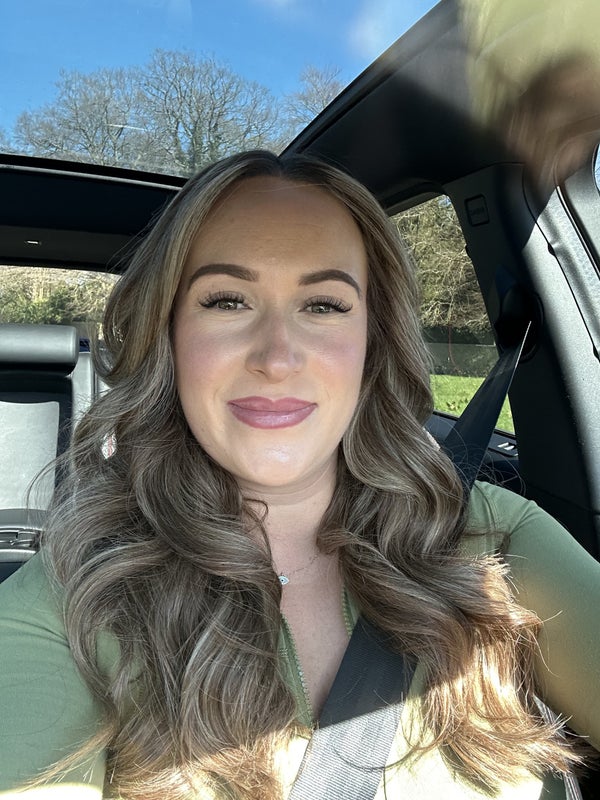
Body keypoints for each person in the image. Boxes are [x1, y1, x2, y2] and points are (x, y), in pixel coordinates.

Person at [0, 150, 598, 800]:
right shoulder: (74, 595)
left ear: (373, 340)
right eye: (227, 300)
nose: (278, 358)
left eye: (323, 305)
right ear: (168, 334)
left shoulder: (490, 536)